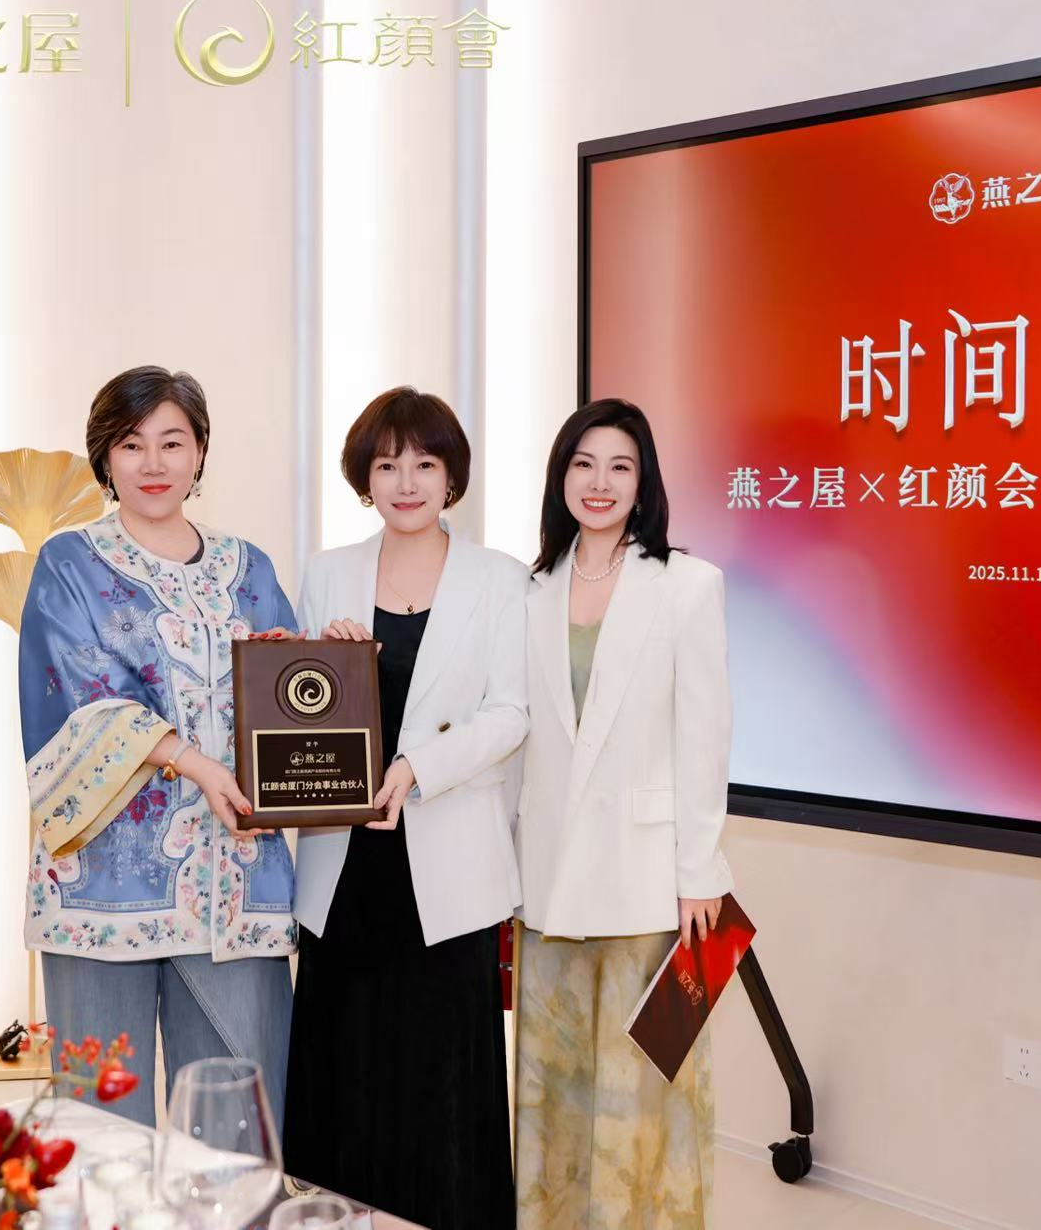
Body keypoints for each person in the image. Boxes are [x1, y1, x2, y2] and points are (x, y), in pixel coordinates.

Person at [17, 365, 299, 1127]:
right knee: (105, 1127)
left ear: (200, 452)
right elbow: (78, 695)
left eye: (172, 442)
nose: (153, 463)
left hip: (236, 882)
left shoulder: (250, 569)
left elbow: (287, 695)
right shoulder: (70, 564)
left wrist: (323, 660)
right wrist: (194, 762)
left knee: (238, 1124)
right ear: (104, 456)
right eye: (131, 443)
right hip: (102, 887)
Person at [282, 387, 525, 1228]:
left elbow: (511, 713)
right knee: (343, 1076)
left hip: (447, 866)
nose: (407, 481)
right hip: (344, 867)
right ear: (365, 478)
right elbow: (295, 707)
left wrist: (419, 766)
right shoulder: (326, 571)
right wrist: (324, 663)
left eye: (425, 462)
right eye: (387, 464)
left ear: (452, 474)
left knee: (442, 1091)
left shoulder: (500, 578)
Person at [514, 398, 733, 1228]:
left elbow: (705, 737)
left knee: (644, 1098)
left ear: (643, 483)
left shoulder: (688, 585)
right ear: (560, 476)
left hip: (651, 886)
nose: (599, 482)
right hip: (549, 885)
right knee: (555, 1094)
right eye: (583, 463)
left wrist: (699, 870)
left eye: (619, 466)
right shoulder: (529, 589)